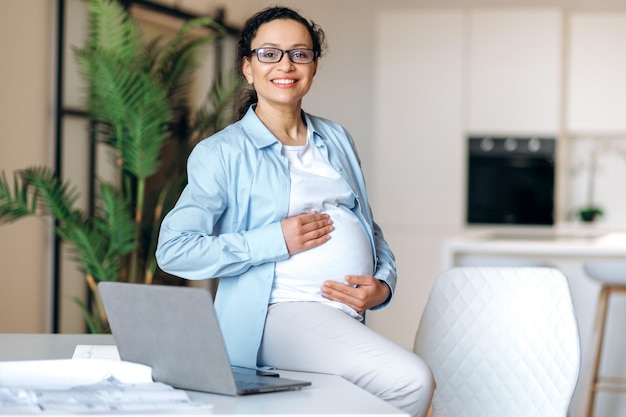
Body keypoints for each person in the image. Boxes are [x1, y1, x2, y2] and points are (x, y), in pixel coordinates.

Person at [156, 6, 434, 417]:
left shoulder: (336, 137)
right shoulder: (222, 153)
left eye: (299, 54)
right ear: (247, 67)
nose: (285, 64)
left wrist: (383, 285)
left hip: (340, 316)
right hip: (275, 312)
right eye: (269, 53)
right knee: (411, 380)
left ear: (314, 66)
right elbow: (175, 250)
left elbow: (368, 228)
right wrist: (274, 240)